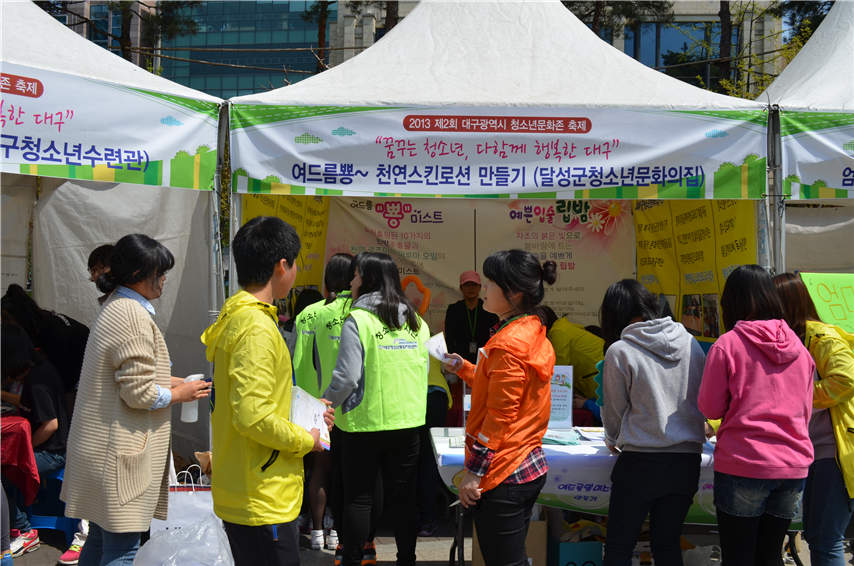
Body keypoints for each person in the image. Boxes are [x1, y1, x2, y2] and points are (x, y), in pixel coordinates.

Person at [61, 234, 210, 566]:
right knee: (122, 549)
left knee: (100, 541)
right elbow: (139, 393)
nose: (164, 279)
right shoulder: (132, 316)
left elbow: (129, 376)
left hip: (104, 451)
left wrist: (178, 384)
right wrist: (179, 393)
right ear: (139, 275)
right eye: (160, 272)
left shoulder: (117, 305)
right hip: (118, 457)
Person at [201, 216, 332, 566]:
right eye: (295, 263)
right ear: (282, 265)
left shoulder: (241, 315)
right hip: (261, 495)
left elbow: (254, 399)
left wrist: (310, 408)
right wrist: (308, 438)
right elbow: (254, 416)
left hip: (253, 486)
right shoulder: (256, 326)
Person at [443, 250, 557, 566]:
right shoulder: (530, 330)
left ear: (514, 293)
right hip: (526, 460)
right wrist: (465, 368)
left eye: (491, 282)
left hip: (504, 471)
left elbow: (499, 416)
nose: (485, 288)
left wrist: (474, 475)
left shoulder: (508, 345)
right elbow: (504, 390)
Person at [698, 265, 814, 566]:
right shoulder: (801, 350)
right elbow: (805, 410)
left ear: (731, 301)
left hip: (744, 463)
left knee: (738, 558)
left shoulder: (728, 345)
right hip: (793, 466)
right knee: (770, 556)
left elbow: (710, 409)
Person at [323, 252, 430, 566]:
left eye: (355, 276)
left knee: (358, 500)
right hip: (408, 423)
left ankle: (353, 561)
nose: (351, 282)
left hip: (363, 423)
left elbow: (346, 377)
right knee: (403, 501)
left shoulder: (358, 319)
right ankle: (406, 561)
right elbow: (421, 370)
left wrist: (325, 404)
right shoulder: (416, 321)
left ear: (367, 279)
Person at [597, 280, 707, 565]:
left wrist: (612, 437)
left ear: (613, 314)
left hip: (640, 464)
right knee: (668, 544)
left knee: (620, 546)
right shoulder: (690, 341)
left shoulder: (620, 350)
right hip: (687, 461)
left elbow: (614, 411)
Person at [774, 273, 854, 566]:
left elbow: (846, 379)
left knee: (824, 541)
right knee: (819, 537)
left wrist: (797, 399)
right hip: (822, 453)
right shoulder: (799, 338)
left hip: (835, 453)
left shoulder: (822, 338)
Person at [298, 253, 353, 552]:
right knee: (345, 471)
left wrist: (310, 402)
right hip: (353, 406)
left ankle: (317, 531)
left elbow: (299, 361)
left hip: (316, 404)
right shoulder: (361, 312)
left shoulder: (309, 313)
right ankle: (338, 534)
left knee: (319, 466)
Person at [1, 324, 70, 558]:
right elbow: (26, 402)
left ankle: (24, 530)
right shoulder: (40, 368)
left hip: (54, 453)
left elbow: (50, 425)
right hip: (52, 447)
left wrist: (24, 450)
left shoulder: (37, 380)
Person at [1, 285, 89, 410]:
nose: (5, 325)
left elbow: (37, 374)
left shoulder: (54, 333)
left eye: (7, 321)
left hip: (77, 382)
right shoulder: (39, 326)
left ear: (20, 318)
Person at [541, 306, 605, 424]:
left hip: (598, 377)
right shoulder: (563, 328)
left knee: (603, 416)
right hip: (597, 375)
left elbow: (557, 370)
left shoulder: (558, 332)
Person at [416, 353, 452, 537]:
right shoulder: (429, 334)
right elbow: (447, 366)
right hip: (436, 393)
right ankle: (426, 521)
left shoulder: (392, 333)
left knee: (406, 457)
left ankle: (407, 518)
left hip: (409, 393)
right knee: (428, 459)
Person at [444, 270, 499, 365]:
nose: (471, 288)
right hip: (460, 360)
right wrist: (452, 362)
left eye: (474, 285)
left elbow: (495, 337)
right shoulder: (454, 309)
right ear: (461, 288)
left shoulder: (489, 308)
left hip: (485, 359)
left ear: (480, 287)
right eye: (467, 285)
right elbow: (450, 338)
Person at [291, 288, 325, 389]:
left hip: (300, 386)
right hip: (324, 389)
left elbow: (291, 352)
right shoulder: (327, 318)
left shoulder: (298, 320)